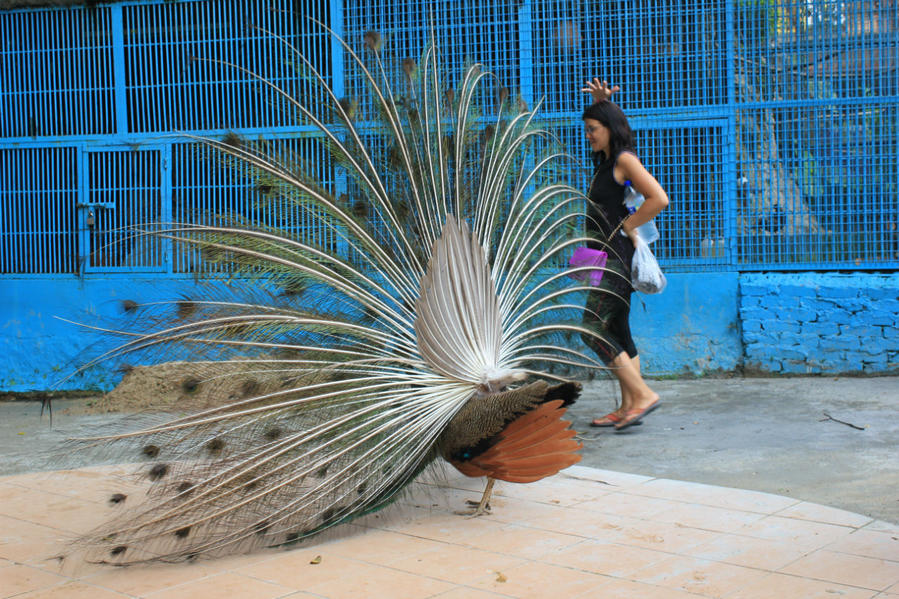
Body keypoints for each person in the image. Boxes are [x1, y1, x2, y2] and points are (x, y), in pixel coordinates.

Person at [578, 79, 669, 431]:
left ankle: (643, 394)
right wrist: (604, 105)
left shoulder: (624, 160)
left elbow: (658, 199)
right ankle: (628, 405)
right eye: (587, 129)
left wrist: (631, 225)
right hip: (601, 256)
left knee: (591, 328)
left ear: (609, 130)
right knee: (618, 328)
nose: (588, 135)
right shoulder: (605, 162)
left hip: (615, 257)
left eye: (593, 129)